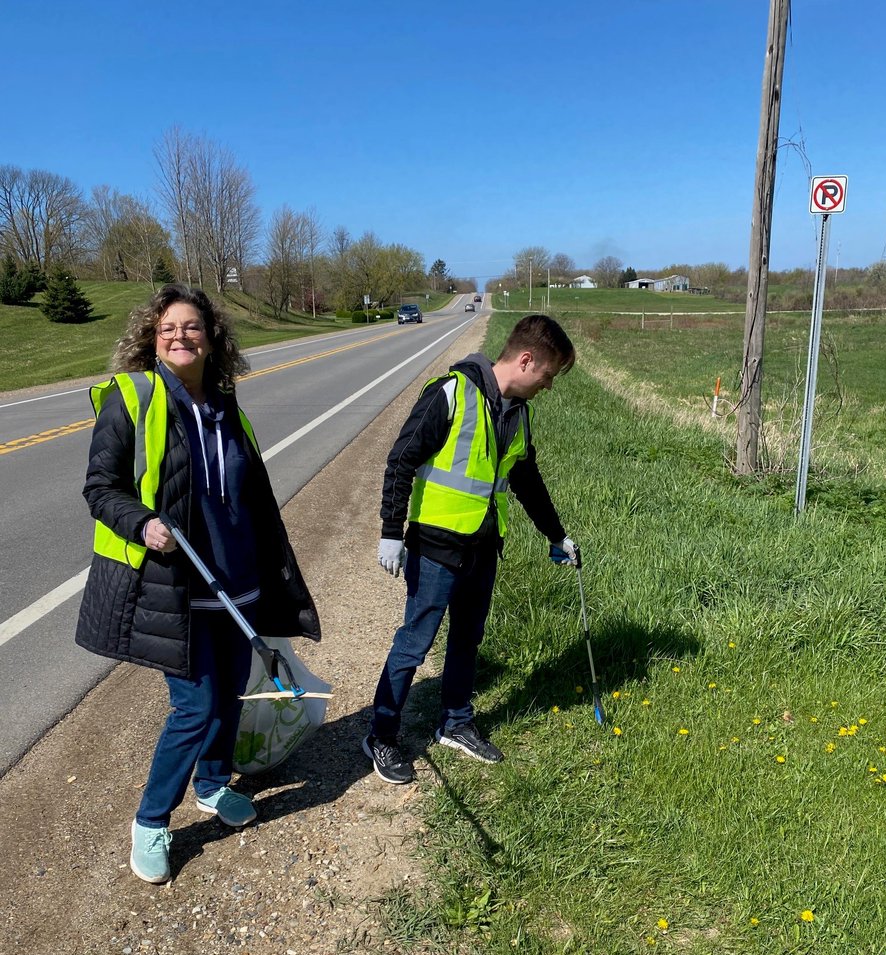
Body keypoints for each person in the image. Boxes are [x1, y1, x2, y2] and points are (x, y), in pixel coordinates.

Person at [76, 283, 320, 884]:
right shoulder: (132, 398)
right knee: (194, 705)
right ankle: (151, 821)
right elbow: (101, 489)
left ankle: (211, 785)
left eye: (191, 327)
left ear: (212, 339)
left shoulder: (227, 405)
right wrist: (143, 523)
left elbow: (251, 498)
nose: (179, 337)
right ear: (151, 339)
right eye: (168, 329)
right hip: (178, 586)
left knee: (233, 693)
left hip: (239, 584)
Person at [364, 313, 578, 784]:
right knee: (414, 645)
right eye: (548, 375)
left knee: (467, 641)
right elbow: (401, 460)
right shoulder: (449, 394)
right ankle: (381, 735)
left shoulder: (519, 414)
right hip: (436, 549)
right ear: (526, 360)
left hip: (483, 550)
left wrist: (555, 534)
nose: (548, 385)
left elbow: (526, 481)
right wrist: (390, 532)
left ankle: (455, 723)